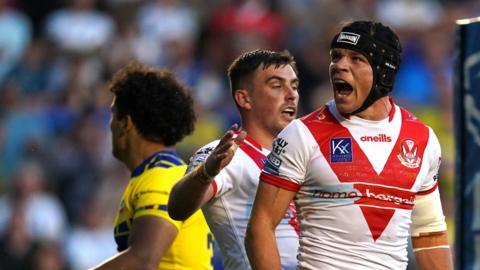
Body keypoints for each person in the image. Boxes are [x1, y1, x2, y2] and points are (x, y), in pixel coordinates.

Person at [245, 21, 453, 270]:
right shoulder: (301, 135)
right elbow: (261, 225)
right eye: (336, 56)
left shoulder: (423, 139)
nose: (339, 66)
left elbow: (429, 232)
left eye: (356, 59)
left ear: (383, 72)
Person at [168, 49, 300, 270]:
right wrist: (206, 172)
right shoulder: (226, 154)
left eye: (294, 86)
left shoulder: (298, 155)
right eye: (277, 86)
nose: (291, 94)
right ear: (244, 98)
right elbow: (177, 208)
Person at [92, 63, 213, 270]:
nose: (109, 124)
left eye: (113, 114)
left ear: (126, 123)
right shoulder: (162, 173)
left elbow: (142, 260)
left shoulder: (161, 177)